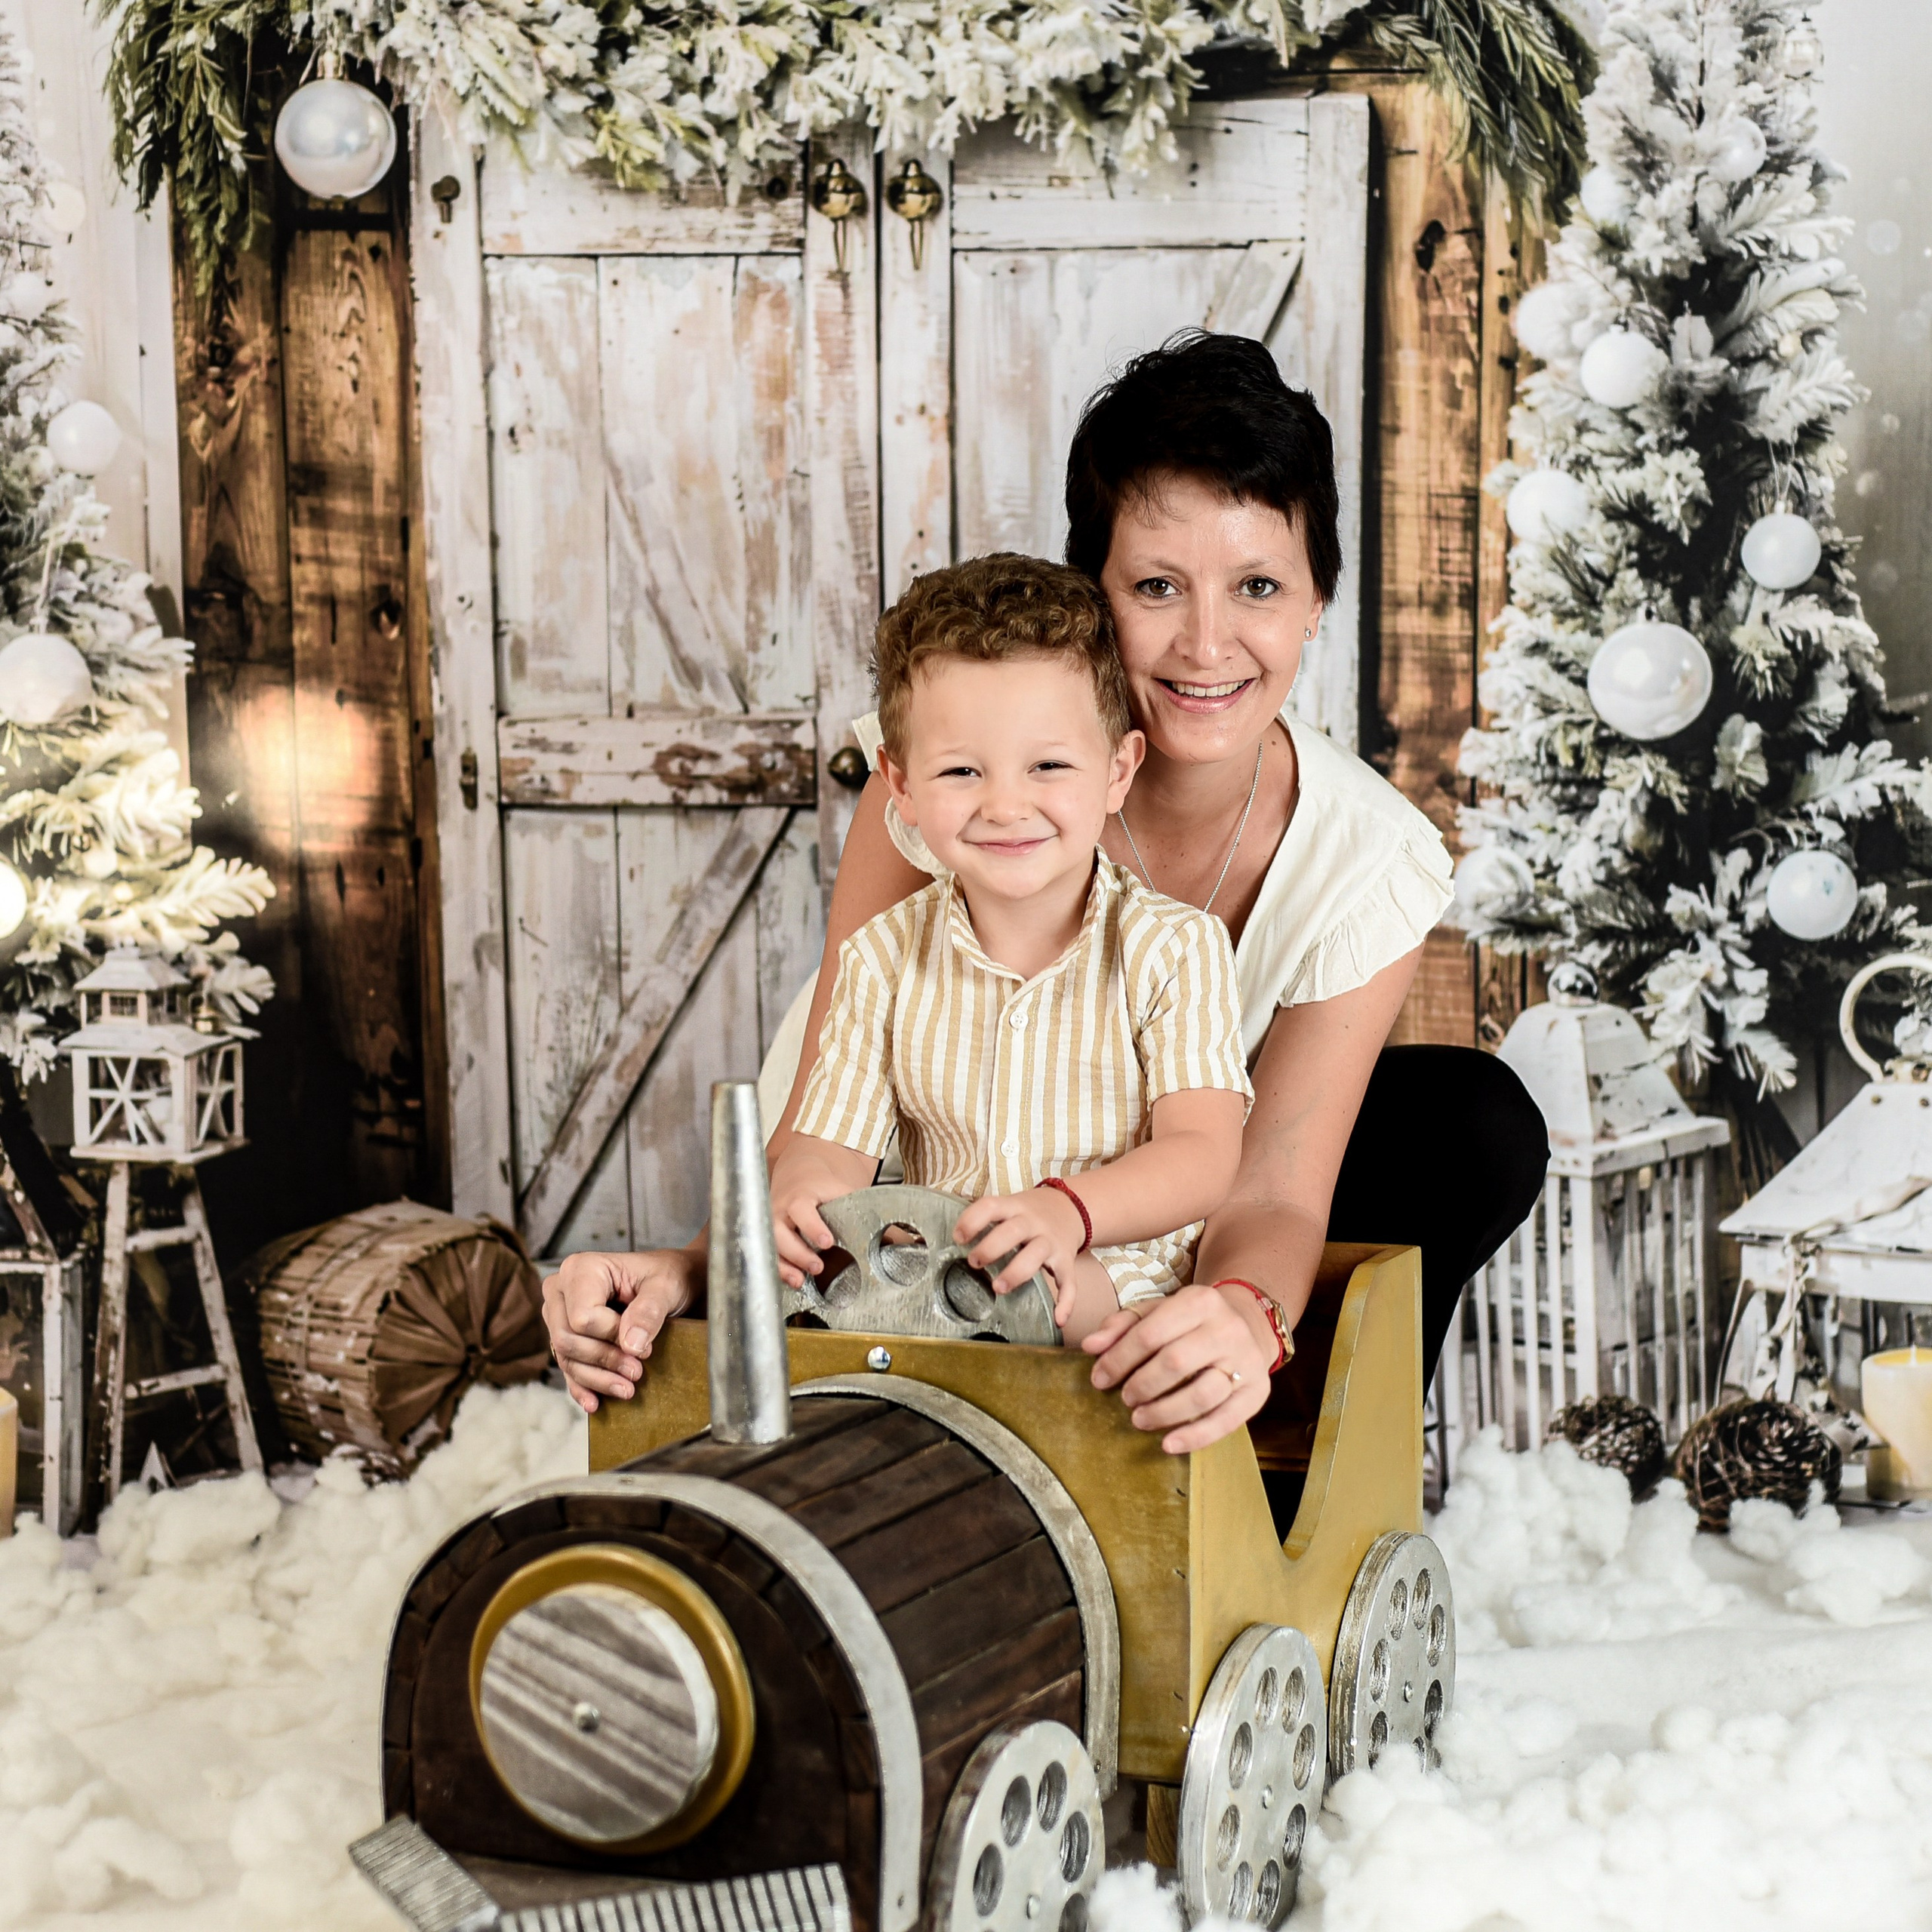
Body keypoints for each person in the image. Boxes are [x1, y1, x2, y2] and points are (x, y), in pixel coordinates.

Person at [544, 330, 1548, 1454]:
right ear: (1094, 597)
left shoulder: (1363, 853)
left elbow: (1270, 1186)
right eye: (1155, 586)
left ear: (1318, 599)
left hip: (1147, 1220)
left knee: (1470, 1122)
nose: (1206, 643)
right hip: (923, 1194)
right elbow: (832, 1101)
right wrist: (711, 1259)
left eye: (1259, 586)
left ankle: (1283, 1456)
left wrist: (1241, 1314)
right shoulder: (955, 778)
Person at [771, 553, 1255, 1346]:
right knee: (838, 1296)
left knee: (1044, 1298)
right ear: (902, 786)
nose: (1004, 805)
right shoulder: (883, 956)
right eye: (962, 770)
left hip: (1110, 1266)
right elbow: (830, 1144)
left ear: (1117, 771)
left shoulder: (1173, 949)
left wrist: (1068, 1211)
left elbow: (1202, 1153)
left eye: (1048, 766)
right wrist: (802, 1193)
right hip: (935, 1272)